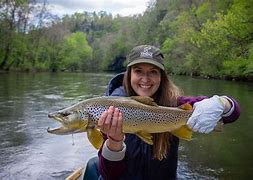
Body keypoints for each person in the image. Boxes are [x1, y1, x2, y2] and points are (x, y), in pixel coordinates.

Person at [83, 45, 240, 180]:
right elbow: (110, 175)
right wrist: (114, 141)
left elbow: (233, 113)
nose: (145, 78)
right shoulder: (112, 111)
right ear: (129, 74)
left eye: (153, 71)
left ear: (161, 77)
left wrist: (222, 103)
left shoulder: (176, 104)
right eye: (138, 71)